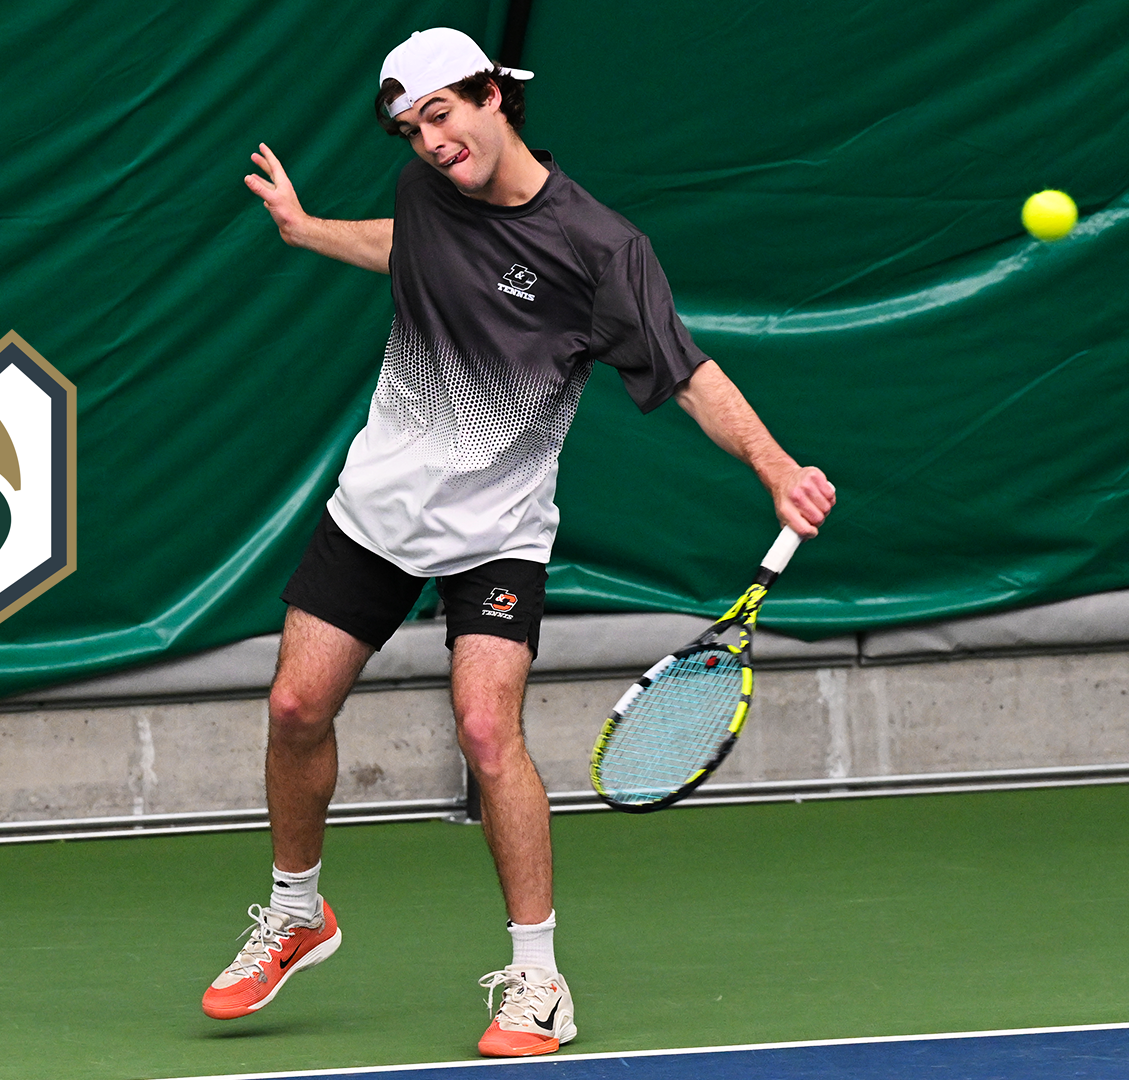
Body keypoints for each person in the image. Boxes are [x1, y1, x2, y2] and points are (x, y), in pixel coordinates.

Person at [202, 27, 836, 1057]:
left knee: (488, 732)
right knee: (293, 707)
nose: (430, 142)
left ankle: (538, 981)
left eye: (442, 115)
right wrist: (309, 230)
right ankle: (296, 912)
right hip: (375, 512)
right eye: (411, 129)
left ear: (493, 95)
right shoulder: (424, 191)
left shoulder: (599, 248)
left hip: (496, 534)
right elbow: (410, 249)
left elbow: (685, 373)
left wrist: (773, 466)